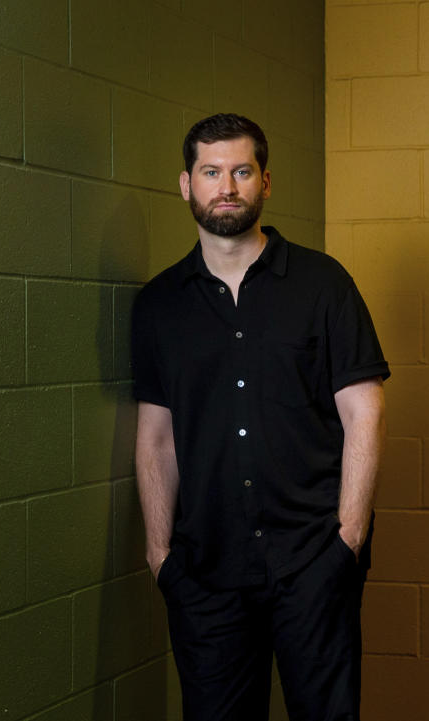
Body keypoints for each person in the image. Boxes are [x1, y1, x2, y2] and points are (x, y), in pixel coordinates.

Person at [132, 113, 389, 721]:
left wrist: (347, 541)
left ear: (265, 182)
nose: (227, 185)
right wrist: (159, 555)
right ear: (185, 184)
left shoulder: (324, 285)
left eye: (241, 171)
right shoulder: (159, 305)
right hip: (204, 573)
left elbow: (365, 415)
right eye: (211, 171)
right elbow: (156, 438)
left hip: (314, 563)